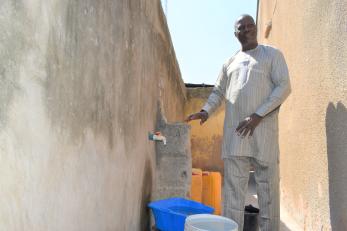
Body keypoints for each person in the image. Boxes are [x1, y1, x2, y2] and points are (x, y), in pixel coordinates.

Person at [185, 14, 291, 231]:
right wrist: (205, 111)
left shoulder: (272, 55)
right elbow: (218, 92)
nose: (246, 30)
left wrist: (258, 115)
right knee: (233, 195)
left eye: (250, 25)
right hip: (236, 137)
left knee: (268, 192)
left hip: (264, 135)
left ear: (256, 29)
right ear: (236, 34)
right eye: (241, 28)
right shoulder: (229, 63)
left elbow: (284, 86)